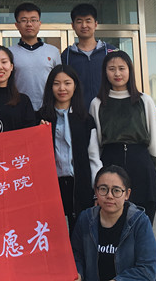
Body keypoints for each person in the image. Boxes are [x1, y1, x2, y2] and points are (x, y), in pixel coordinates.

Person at [89, 50, 156, 223]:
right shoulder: (97, 103)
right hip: (110, 164)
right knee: (113, 224)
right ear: (105, 73)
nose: (117, 73)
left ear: (130, 70)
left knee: (142, 223)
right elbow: (95, 145)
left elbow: (155, 139)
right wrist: (98, 176)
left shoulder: (144, 100)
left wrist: (151, 167)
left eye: (122, 68)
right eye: (112, 69)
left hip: (142, 166)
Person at [38, 65, 102, 234]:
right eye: (56, 83)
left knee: (79, 235)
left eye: (67, 83)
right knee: (52, 235)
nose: (62, 88)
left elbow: (93, 158)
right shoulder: (40, 118)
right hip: (51, 187)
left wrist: (97, 190)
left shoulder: (85, 120)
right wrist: (38, 132)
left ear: (75, 86)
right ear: (50, 87)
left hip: (79, 185)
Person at [71, 165, 156, 281]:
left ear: (127, 194)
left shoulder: (139, 222)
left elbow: (147, 270)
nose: (109, 196)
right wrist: (78, 273)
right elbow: (76, 255)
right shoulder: (86, 219)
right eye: (103, 189)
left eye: (116, 190)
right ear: (96, 191)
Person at [61, 4, 117, 111]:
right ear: (72, 26)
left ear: (95, 24)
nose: (84, 25)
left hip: (107, 111)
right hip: (78, 113)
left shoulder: (110, 52)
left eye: (88, 21)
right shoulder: (67, 55)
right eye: (79, 21)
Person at [9, 2, 60, 111]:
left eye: (33, 20)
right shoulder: (9, 53)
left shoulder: (53, 51)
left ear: (39, 23)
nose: (29, 24)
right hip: (19, 109)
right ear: (17, 25)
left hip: (48, 109)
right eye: (24, 20)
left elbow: (60, 80)